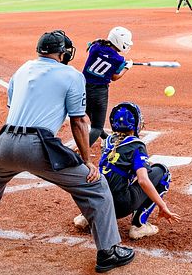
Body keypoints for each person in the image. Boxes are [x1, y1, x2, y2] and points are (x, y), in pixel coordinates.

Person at [0, 30, 135, 273]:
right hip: (37, 146)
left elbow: (13, 104)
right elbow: (79, 122)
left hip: (4, 141)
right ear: (62, 54)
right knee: (95, 186)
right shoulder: (71, 75)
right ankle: (109, 251)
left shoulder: (22, 69)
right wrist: (87, 161)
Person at [74, 102, 180, 240]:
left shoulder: (107, 141)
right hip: (119, 206)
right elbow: (143, 180)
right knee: (162, 171)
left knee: (106, 173)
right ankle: (139, 225)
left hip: (97, 202)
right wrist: (162, 205)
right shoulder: (136, 145)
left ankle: (86, 217)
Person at [82, 26, 132, 144]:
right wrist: (127, 67)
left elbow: (98, 49)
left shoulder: (95, 47)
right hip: (99, 93)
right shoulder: (118, 59)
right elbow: (115, 77)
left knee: (93, 117)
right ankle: (78, 153)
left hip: (82, 87)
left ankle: (106, 138)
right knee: (97, 127)